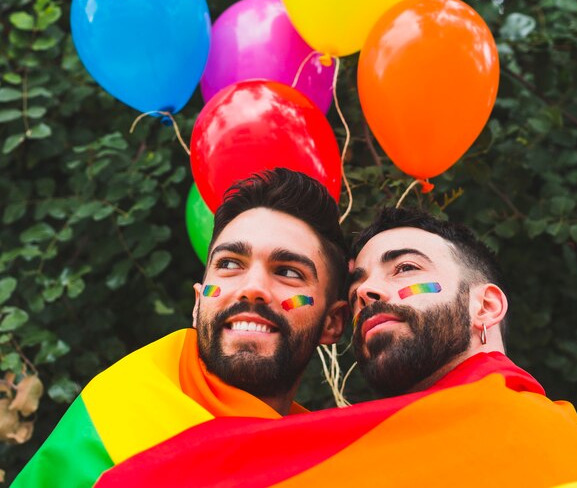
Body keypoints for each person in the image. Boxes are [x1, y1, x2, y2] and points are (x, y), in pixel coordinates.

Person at [93, 207, 577, 488]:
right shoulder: (357, 443)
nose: (368, 290)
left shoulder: (534, 432)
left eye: (406, 268)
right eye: (359, 281)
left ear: (487, 307)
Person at [12, 168, 348, 488]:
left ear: (332, 323)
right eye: (230, 264)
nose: (252, 288)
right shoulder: (114, 413)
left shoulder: (336, 465)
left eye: (288, 272)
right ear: (198, 303)